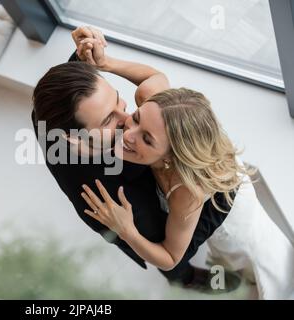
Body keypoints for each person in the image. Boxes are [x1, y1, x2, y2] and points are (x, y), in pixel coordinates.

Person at [32, 26, 240, 292]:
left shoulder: (47, 111)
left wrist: (99, 61)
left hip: (198, 190)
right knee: (177, 257)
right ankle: (185, 279)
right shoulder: (122, 203)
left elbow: (73, 87)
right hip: (137, 221)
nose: (128, 122)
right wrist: (127, 231)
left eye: (120, 103)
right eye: (109, 120)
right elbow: (168, 255)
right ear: (74, 138)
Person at [80, 81, 294, 298]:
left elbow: (171, 259)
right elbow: (151, 76)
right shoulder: (161, 112)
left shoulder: (187, 193)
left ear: (170, 157)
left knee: (251, 267)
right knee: (226, 267)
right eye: (135, 118)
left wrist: (127, 231)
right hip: (211, 163)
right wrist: (106, 62)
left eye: (147, 138)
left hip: (233, 217)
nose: (127, 135)